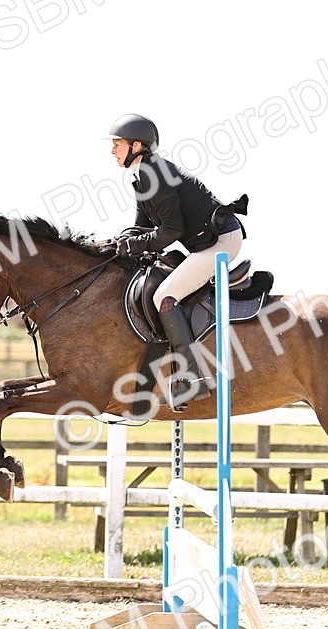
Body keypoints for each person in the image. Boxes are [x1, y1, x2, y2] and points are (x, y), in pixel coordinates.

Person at [107, 113, 246, 409]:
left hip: (222, 241)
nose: (112, 150)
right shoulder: (144, 175)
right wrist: (115, 244)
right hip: (205, 241)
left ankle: (190, 380)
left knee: (165, 296)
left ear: (136, 145)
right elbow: (143, 225)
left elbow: (172, 231)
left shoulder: (153, 174)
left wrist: (134, 245)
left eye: (117, 144)